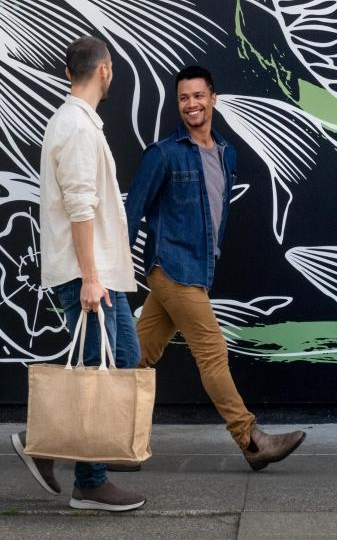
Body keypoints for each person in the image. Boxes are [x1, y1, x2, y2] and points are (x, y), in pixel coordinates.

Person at [124, 65, 305, 470]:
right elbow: (131, 212)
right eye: (184, 98)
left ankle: (81, 433)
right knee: (212, 353)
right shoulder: (164, 154)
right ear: (179, 104)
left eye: (198, 96)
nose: (192, 104)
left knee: (135, 357)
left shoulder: (226, 153)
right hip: (171, 267)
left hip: (198, 269)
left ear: (213, 99)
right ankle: (250, 439)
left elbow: (215, 213)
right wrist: (114, 275)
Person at [10, 36, 146, 512]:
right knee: (98, 370)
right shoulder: (77, 127)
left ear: (73, 71)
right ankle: (89, 481)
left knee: (124, 356)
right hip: (91, 273)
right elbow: (80, 205)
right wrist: (90, 277)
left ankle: (46, 441)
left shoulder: (80, 123)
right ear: (105, 70)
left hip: (104, 271)